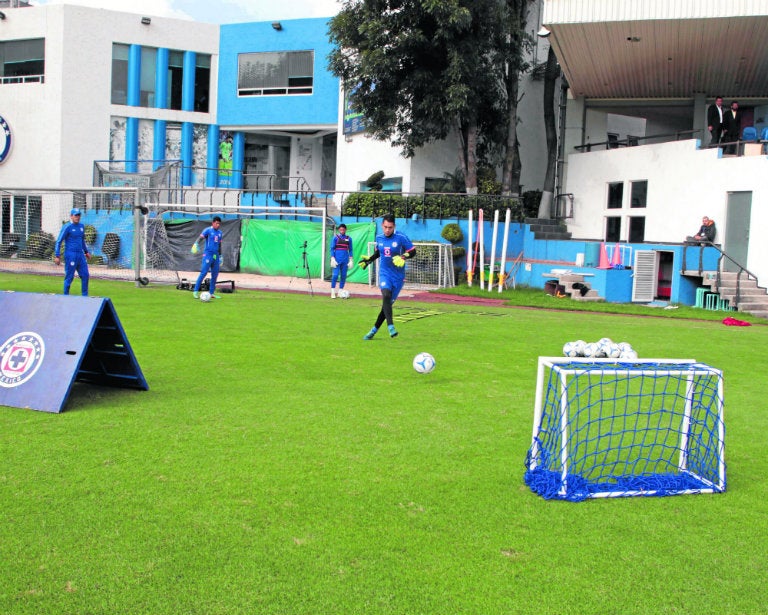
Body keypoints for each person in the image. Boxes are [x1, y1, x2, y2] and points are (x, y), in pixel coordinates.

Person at [358, 214, 416, 339]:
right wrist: (369, 260)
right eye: (385, 227)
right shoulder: (379, 238)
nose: (387, 230)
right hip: (384, 273)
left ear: (394, 226)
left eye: (390, 227)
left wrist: (404, 256)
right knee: (386, 295)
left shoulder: (401, 237)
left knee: (387, 304)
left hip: (398, 277)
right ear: (382, 226)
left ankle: (373, 331)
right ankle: (391, 326)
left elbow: (413, 251)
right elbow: (379, 251)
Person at [54, 207, 91, 296]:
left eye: (79, 215)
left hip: (80, 255)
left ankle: (85, 296)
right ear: (71, 216)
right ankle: (66, 296)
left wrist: (86, 252)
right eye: (76, 215)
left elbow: (82, 240)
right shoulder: (67, 227)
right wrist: (57, 255)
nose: (77, 217)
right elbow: (59, 241)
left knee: (85, 275)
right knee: (69, 276)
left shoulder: (81, 226)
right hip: (71, 254)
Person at [191, 216, 223, 298]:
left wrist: (220, 256)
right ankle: (195, 291)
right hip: (208, 254)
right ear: (213, 223)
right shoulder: (208, 230)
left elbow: (219, 245)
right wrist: (196, 244)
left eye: (219, 223)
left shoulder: (220, 233)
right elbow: (200, 238)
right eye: (217, 223)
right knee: (204, 272)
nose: (218, 225)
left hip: (216, 256)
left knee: (215, 274)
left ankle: (211, 293)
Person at [330, 223, 354, 298]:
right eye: (340, 229)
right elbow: (332, 248)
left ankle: (340, 291)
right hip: (336, 260)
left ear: (345, 230)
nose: (342, 231)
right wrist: (332, 258)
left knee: (343, 276)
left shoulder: (349, 238)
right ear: (339, 230)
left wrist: (351, 259)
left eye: (343, 229)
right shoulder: (335, 238)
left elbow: (351, 249)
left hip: (345, 260)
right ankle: (333, 291)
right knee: (335, 275)